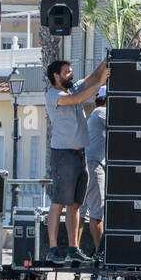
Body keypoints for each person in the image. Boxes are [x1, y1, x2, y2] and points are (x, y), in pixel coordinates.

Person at [43, 58, 109, 264]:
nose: (71, 75)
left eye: (71, 71)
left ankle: (73, 248)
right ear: (56, 76)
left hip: (80, 155)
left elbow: (92, 77)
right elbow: (79, 99)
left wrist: (107, 61)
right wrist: (101, 85)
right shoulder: (55, 95)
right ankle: (53, 249)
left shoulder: (72, 89)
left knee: (75, 204)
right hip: (63, 155)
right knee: (58, 202)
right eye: (67, 72)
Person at [83, 87, 108, 253]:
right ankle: (101, 254)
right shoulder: (101, 112)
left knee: (83, 212)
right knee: (96, 214)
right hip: (94, 166)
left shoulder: (96, 113)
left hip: (89, 164)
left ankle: (79, 249)